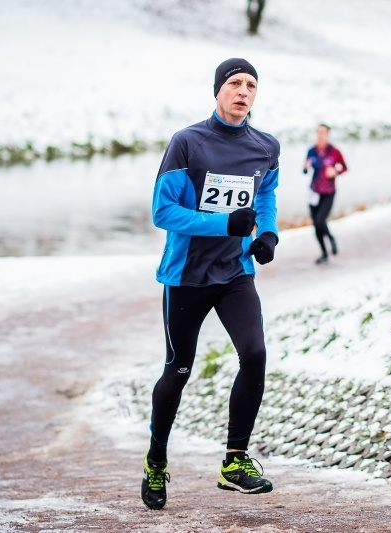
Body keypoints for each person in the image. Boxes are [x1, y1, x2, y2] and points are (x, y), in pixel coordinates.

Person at [143, 58, 279, 510]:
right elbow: (162, 212)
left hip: (235, 273)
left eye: (251, 85)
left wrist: (267, 233)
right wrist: (224, 224)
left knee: (255, 354)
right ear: (218, 90)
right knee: (178, 370)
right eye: (234, 83)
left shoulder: (265, 146)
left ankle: (234, 462)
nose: (243, 91)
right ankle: (156, 460)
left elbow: (265, 195)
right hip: (186, 276)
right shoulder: (188, 142)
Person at [303, 124, 348, 264]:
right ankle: (324, 253)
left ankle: (331, 238)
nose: (320, 135)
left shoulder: (334, 151)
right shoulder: (311, 151)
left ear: (328, 135)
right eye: (318, 132)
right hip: (314, 191)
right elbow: (304, 170)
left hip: (328, 192)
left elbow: (344, 168)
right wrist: (306, 167)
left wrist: (335, 172)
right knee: (316, 225)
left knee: (320, 221)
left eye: (323, 132)